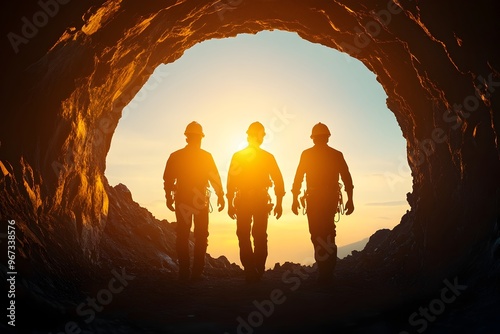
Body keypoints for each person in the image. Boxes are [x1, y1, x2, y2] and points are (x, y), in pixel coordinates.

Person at [291, 122, 354, 284]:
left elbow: (298, 178)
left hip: (314, 198)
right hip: (329, 198)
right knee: (328, 233)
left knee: (316, 234)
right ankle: (327, 272)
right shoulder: (336, 154)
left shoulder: (307, 155)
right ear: (327, 137)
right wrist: (350, 200)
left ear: (313, 138)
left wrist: (294, 199)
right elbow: (347, 178)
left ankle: (323, 271)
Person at [163, 121, 225, 281]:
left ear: (187, 138)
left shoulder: (176, 156)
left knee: (183, 234)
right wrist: (221, 195)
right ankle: (197, 272)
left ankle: (184, 272)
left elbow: (168, 179)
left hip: (183, 198)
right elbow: (215, 178)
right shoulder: (206, 157)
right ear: (200, 138)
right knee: (201, 235)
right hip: (200, 200)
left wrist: (168, 197)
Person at [227, 122, 285, 283]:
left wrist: (230, 202)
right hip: (258, 200)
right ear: (259, 136)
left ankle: (252, 269)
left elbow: (231, 181)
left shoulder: (238, 156)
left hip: (245, 200)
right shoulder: (267, 157)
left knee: (245, 235)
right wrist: (279, 202)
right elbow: (278, 181)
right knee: (259, 236)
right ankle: (256, 269)